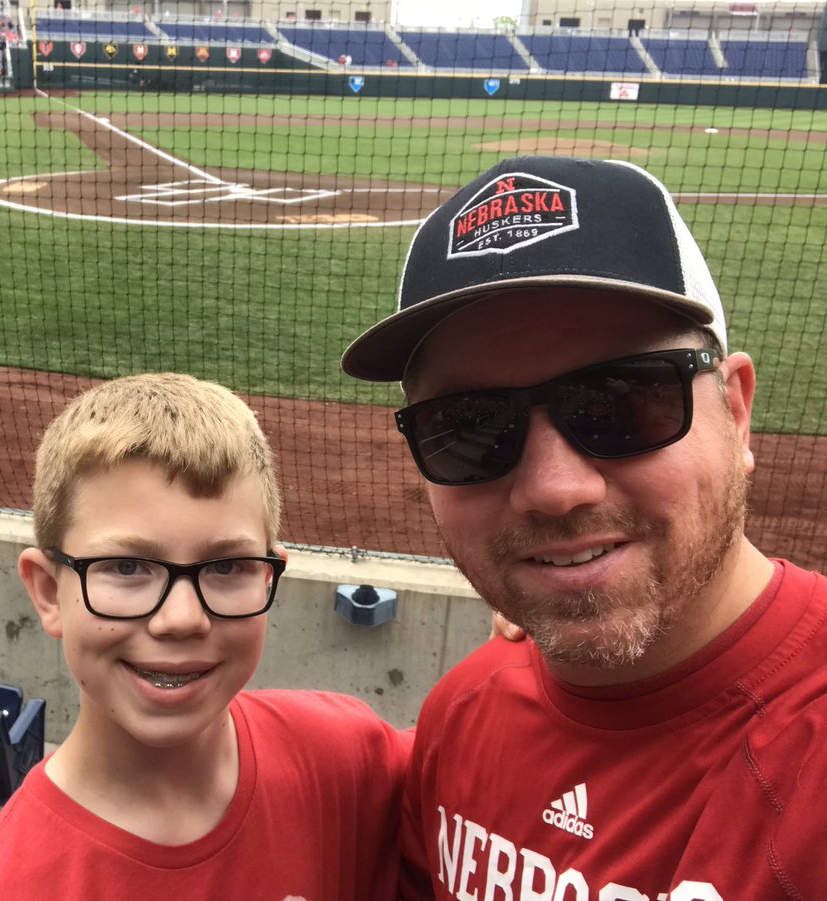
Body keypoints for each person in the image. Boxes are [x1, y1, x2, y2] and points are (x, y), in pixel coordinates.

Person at [341, 155, 827, 899]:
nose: (552, 489)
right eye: (469, 427)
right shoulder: (463, 716)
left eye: (620, 401)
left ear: (735, 408)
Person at [0, 373, 409, 899]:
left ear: (269, 577)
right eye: (127, 565)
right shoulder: (1, 888)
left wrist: (521, 631)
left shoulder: (345, 759)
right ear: (49, 592)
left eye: (228, 566)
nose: (182, 619)